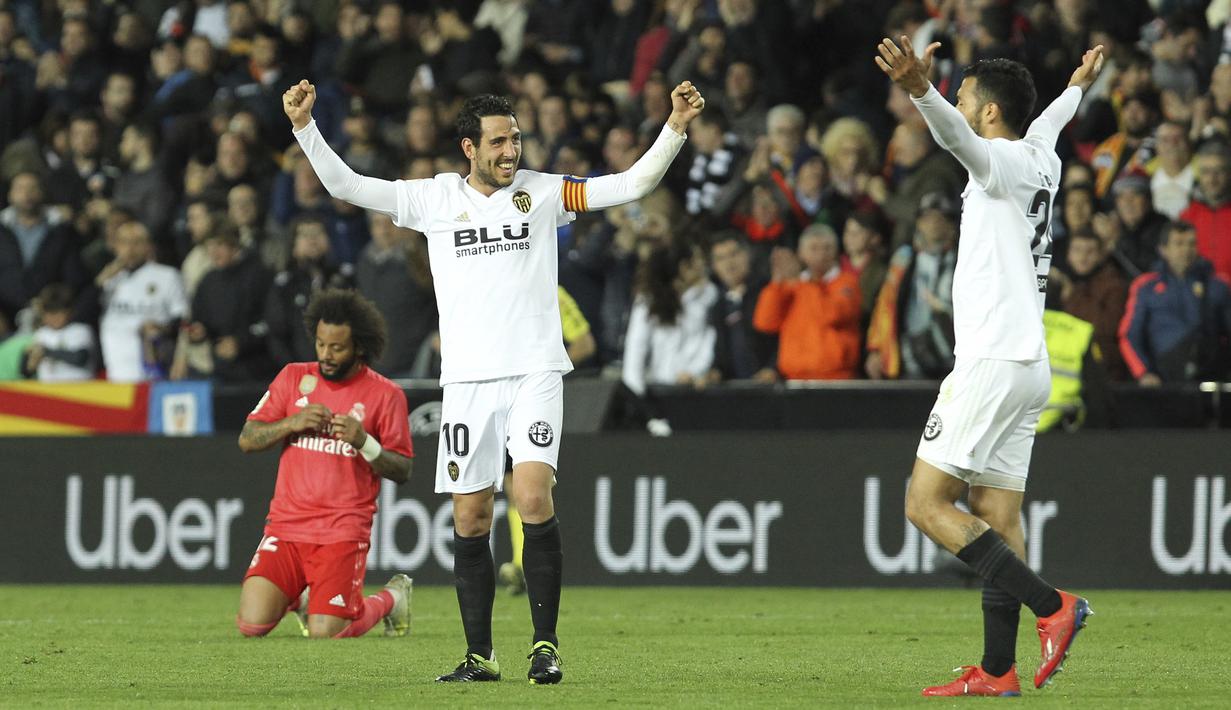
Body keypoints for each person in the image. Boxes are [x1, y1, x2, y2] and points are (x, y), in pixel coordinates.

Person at [283, 75, 706, 683]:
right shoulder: (433, 199)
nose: (512, 152)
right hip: (467, 383)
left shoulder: (546, 192)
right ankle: (480, 655)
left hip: (535, 369)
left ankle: (545, 646)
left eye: (516, 140)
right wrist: (305, 128)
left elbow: (630, 184)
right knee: (471, 517)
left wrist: (674, 128)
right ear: (469, 149)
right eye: (500, 142)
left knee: (532, 496)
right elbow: (348, 186)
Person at [876, 36, 1100, 696]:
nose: (958, 105)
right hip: (1027, 366)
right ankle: (998, 671)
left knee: (924, 503)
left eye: (965, 97)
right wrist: (1078, 85)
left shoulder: (998, 159)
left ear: (991, 115)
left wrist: (920, 90)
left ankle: (1053, 606)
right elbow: (1055, 116)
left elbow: (954, 139)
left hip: (990, 359)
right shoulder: (1040, 153)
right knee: (996, 515)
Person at [236, 288, 413, 640]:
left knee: (327, 633)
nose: (326, 355)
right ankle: (307, 596)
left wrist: (364, 441)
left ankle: (392, 599)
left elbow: (402, 469)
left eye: (337, 348)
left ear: (359, 347)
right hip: (286, 527)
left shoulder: (386, 395)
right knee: (251, 625)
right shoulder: (292, 378)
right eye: (320, 345)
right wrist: (291, 423)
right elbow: (247, 438)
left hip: (341, 531)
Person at [1118, 221, 1231, 385]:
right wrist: (1143, 373)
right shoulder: (1145, 286)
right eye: (1179, 244)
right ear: (1163, 250)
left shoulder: (1218, 285)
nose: (1186, 250)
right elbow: (1129, 335)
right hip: (1162, 380)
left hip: (1209, 378)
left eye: (1192, 243)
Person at [753, 223, 861, 380]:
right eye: (814, 248)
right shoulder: (792, 285)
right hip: (794, 377)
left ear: (836, 252)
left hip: (836, 378)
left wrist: (804, 283)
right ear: (801, 253)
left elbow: (831, 315)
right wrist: (777, 283)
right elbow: (765, 323)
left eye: (827, 248)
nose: (821, 254)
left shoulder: (847, 283)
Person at [96, 221, 187, 382]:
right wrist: (100, 281)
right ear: (115, 246)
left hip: (156, 369)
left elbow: (182, 320)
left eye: (136, 243)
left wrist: (162, 329)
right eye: (124, 243)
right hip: (115, 369)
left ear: (148, 246)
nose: (130, 249)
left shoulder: (167, 276)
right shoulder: (108, 280)